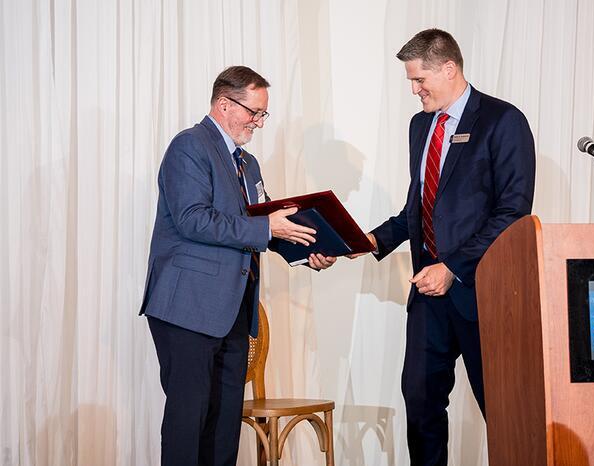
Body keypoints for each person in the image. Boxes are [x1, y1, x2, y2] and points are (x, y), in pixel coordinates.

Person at [139, 65, 336, 466]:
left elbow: (262, 227)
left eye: (264, 114)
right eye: (254, 112)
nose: (259, 122)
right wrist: (267, 227)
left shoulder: (248, 163)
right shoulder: (189, 146)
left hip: (233, 312)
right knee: (188, 421)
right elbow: (194, 218)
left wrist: (305, 249)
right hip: (188, 309)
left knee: (224, 424)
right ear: (224, 104)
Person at [355, 29, 535, 465]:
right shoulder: (421, 126)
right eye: (411, 82)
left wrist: (452, 266)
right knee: (419, 402)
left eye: (419, 80)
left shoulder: (502, 120)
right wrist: (362, 242)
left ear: (449, 68)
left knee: (504, 410)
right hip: (428, 292)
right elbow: (416, 208)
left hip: (483, 294)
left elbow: (513, 213)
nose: (414, 90)